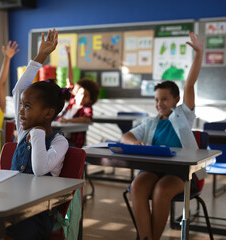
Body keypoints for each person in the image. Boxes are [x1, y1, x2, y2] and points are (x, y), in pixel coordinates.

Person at [0, 29, 71, 240]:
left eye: (27, 107)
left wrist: (36, 134)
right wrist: (40, 57)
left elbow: (40, 168)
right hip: (6, 203)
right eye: (21, 106)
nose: (20, 112)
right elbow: (19, 90)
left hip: (34, 215)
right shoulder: (25, 128)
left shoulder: (59, 141)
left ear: (48, 113)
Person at [120, 32, 204, 240]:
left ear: (176, 99)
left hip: (181, 173)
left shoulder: (183, 115)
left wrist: (199, 54)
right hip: (153, 170)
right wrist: (135, 142)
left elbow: (189, 85)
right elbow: (125, 137)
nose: (160, 104)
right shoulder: (151, 123)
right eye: (157, 100)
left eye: (165, 99)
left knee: (161, 190)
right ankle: (146, 238)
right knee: (137, 186)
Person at [56, 45, 100, 148]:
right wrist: (69, 56)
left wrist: (67, 121)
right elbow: (69, 79)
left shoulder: (86, 108)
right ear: (75, 93)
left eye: (86, 96)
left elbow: (87, 119)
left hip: (73, 143)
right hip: (60, 138)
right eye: (80, 94)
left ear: (90, 99)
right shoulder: (72, 102)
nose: (82, 97)